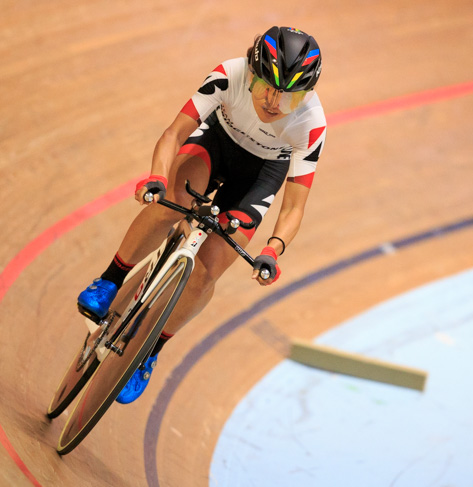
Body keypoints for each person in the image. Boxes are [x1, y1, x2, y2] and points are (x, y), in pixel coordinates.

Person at [78, 26, 326, 404]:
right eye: (265, 89)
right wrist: (158, 178)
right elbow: (174, 133)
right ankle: (110, 280)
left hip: (260, 177)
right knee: (169, 204)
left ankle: (149, 352)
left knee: (206, 272)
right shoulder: (229, 73)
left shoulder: (311, 124)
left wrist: (272, 251)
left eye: (288, 98)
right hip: (217, 142)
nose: (274, 103)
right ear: (252, 74)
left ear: (305, 97)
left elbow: (294, 205)